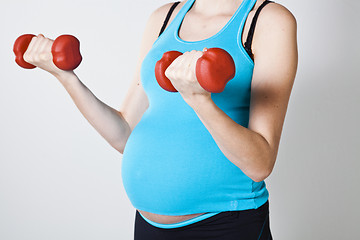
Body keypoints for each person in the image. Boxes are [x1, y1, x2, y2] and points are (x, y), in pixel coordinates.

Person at [22, 0, 297, 239]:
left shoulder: (268, 21)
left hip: (226, 224)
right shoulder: (163, 18)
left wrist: (198, 100)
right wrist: (64, 76)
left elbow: (260, 164)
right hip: (148, 226)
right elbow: (124, 133)